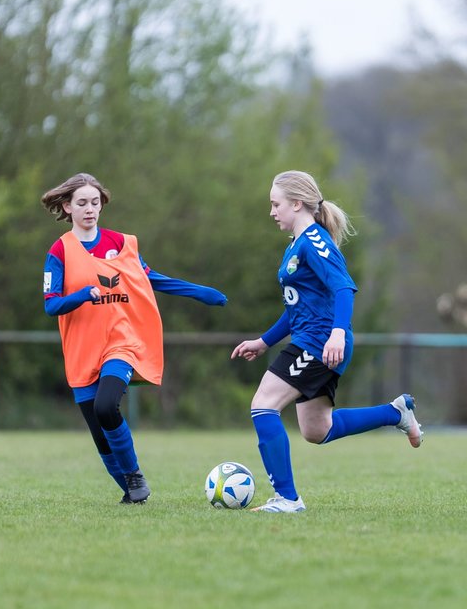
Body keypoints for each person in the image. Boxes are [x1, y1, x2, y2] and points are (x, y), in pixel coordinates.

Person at [230, 170, 423, 514]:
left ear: (297, 203)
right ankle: (395, 413)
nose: (272, 212)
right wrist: (263, 341)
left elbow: (343, 287)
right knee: (317, 430)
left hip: (318, 342)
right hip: (313, 337)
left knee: (263, 405)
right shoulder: (296, 244)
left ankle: (287, 500)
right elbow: (296, 309)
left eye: (276, 204)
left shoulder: (314, 241)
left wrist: (336, 332)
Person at [41, 172, 227, 504]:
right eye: (81, 203)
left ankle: (135, 475)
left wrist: (198, 292)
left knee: (106, 406)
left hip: (121, 342)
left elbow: (150, 277)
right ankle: (131, 490)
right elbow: (52, 305)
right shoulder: (60, 251)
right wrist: (83, 295)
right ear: (67, 206)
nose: (90, 209)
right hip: (83, 349)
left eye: (95, 202)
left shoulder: (121, 243)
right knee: (100, 436)